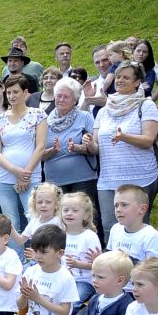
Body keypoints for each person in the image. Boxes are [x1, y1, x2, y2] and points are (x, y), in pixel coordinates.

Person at [88, 62, 158, 234]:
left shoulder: (146, 105)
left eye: (126, 77)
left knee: (138, 228)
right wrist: (88, 144)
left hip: (140, 177)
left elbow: (148, 140)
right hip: (108, 178)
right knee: (109, 227)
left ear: (137, 82)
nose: (120, 80)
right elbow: (97, 147)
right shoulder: (104, 110)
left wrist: (124, 137)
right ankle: (115, 262)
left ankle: (142, 261)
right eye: (118, 76)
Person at [0, 77, 48, 242]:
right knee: (11, 222)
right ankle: (17, 261)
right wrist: (15, 171)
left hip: (30, 176)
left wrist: (25, 174)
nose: (12, 96)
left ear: (25, 92)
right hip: (3, 177)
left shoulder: (38, 115)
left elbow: (40, 147)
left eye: (16, 91)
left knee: (34, 219)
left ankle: (38, 259)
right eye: (8, 92)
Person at [42, 77, 100, 232]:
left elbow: (96, 149)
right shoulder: (44, 121)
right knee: (59, 220)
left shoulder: (85, 117)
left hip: (83, 178)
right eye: (58, 96)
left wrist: (81, 147)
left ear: (75, 100)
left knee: (85, 218)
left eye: (66, 96)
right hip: (55, 180)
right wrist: (51, 151)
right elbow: (38, 154)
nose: (61, 99)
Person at [104, 184, 158, 291]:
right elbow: (109, 255)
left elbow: (157, 270)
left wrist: (128, 260)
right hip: (114, 288)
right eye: (116, 205)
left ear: (142, 209)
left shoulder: (151, 236)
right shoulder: (115, 229)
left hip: (137, 291)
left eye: (124, 205)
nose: (118, 209)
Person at [61, 192, 102, 315]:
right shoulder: (60, 234)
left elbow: (98, 265)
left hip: (84, 282)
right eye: (65, 210)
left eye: (74, 210)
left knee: (72, 304)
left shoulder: (89, 237)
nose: (69, 213)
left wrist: (78, 264)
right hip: (62, 278)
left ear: (85, 215)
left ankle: (81, 314)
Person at [9, 182, 63, 252]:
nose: (43, 205)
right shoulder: (34, 220)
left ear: (56, 204)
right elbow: (20, 241)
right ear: (34, 204)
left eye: (48, 202)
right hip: (35, 260)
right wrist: (10, 228)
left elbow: (61, 247)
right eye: (40, 202)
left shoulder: (58, 222)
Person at [79, 45, 112, 117]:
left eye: (104, 60)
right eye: (97, 62)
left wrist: (107, 103)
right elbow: (80, 118)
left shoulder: (122, 82)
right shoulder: (89, 86)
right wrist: (86, 101)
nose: (101, 65)